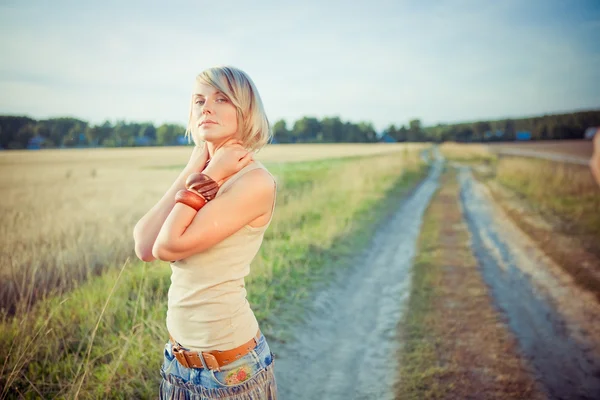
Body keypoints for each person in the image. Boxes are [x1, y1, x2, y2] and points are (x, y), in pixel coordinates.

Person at [133, 66, 278, 399]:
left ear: (247, 111)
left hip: (229, 372)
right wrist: (193, 168)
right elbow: (143, 243)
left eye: (221, 99)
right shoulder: (204, 171)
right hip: (177, 365)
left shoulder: (254, 181)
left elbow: (168, 246)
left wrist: (208, 176)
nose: (206, 108)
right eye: (199, 100)